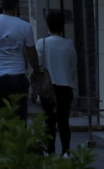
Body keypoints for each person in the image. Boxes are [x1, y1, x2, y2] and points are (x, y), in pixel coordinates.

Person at [37, 10, 79, 155]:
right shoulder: (69, 44)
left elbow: (38, 66)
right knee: (63, 121)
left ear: (48, 25)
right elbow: (73, 66)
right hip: (65, 87)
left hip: (47, 89)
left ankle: (50, 151)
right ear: (62, 26)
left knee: (49, 121)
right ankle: (66, 151)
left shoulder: (41, 43)